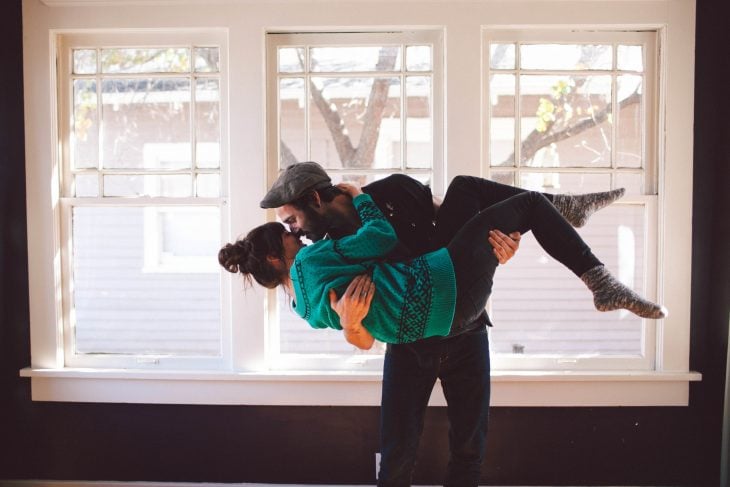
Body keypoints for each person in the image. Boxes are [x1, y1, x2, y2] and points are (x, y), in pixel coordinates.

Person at [222, 162, 656, 486]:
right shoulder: (322, 250)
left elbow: (467, 227)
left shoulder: (392, 191)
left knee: (470, 446)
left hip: (461, 318)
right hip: (415, 336)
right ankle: (562, 217)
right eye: (289, 229)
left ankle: (556, 211)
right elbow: (357, 335)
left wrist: (502, 249)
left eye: (293, 220)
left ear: (315, 199)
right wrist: (352, 325)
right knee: (397, 455)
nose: (298, 232)